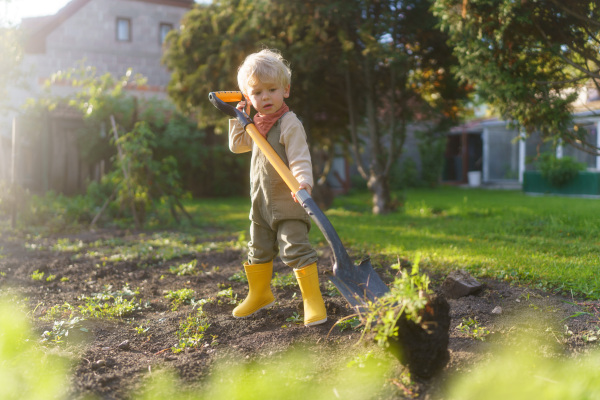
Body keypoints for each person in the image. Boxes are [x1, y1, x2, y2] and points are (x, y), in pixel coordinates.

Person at [228, 48, 327, 327]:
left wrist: (303, 183)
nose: (265, 97)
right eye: (257, 93)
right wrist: (238, 118)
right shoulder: (252, 125)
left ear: (286, 90)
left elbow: (299, 157)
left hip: (288, 200)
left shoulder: (288, 123)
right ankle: (260, 293)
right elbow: (237, 146)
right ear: (249, 97)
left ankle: (312, 299)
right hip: (259, 202)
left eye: (271, 90)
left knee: (295, 246)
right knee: (257, 249)